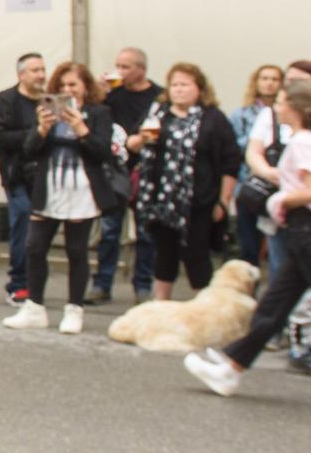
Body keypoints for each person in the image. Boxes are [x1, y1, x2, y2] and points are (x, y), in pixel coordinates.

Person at [187, 80, 311, 396]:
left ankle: (232, 364)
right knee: (275, 301)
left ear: (295, 109)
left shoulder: (302, 143)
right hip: (298, 229)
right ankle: (232, 366)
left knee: (278, 300)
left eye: (282, 102)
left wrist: (282, 200)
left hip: (305, 226)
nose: (276, 107)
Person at [2, 62, 127, 333]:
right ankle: (35, 307)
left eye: (73, 85)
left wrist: (81, 128)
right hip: (49, 188)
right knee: (35, 247)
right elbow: (29, 150)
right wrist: (42, 129)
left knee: (76, 250)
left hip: (81, 189)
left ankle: (74, 309)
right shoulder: (48, 114)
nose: (68, 90)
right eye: (62, 86)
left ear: (85, 87)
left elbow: (103, 151)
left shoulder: (98, 113)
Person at [132, 62, 239, 301]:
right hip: (160, 199)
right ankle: (161, 304)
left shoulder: (213, 118)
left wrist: (223, 200)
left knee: (196, 254)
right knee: (164, 253)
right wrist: (141, 139)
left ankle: (204, 306)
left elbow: (230, 162)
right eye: (174, 85)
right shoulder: (158, 114)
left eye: (185, 84)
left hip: (198, 200)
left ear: (199, 88)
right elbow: (131, 145)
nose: (179, 90)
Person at [93, 46, 164, 303]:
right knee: (109, 229)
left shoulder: (158, 97)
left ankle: (142, 285)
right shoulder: (113, 95)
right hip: (115, 169)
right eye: (118, 66)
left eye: (126, 67)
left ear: (141, 69)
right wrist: (99, 92)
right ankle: (102, 283)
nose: (120, 72)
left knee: (145, 232)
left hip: (146, 169)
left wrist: (143, 140)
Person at [0, 53, 48, 303]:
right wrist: (34, 133)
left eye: (43, 69)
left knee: (42, 230)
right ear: (21, 74)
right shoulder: (7, 100)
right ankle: (18, 282)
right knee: (23, 222)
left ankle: (36, 281)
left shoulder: (49, 102)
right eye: (35, 70)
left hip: (45, 176)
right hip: (17, 176)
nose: (41, 75)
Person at [232, 64, 287, 262]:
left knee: (276, 246)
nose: (269, 83)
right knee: (249, 244)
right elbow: (239, 150)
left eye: (274, 79)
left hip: (282, 187)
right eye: (264, 78)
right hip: (251, 183)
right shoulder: (242, 114)